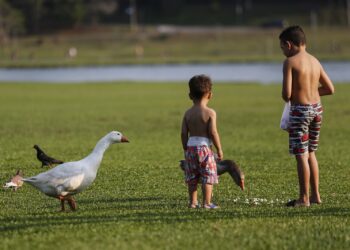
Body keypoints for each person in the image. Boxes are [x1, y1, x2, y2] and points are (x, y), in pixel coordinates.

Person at [279, 26, 335, 207]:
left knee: (301, 154)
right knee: (311, 152)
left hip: (300, 112)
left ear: (288, 44)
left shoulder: (290, 62)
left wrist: (297, 93)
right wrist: (310, 90)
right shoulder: (315, 61)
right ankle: (315, 195)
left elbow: (286, 94)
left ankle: (303, 198)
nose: (283, 52)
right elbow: (329, 89)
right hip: (317, 109)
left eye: (282, 48)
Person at [181, 74, 223, 209]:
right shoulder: (210, 113)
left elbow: (183, 133)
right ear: (210, 95)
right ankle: (207, 202)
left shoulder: (187, 113)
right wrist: (219, 149)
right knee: (208, 175)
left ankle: (193, 203)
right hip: (205, 148)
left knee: (192, 177)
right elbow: (213, 132)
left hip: (191, 148)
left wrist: (185, 148)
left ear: (190, 95)